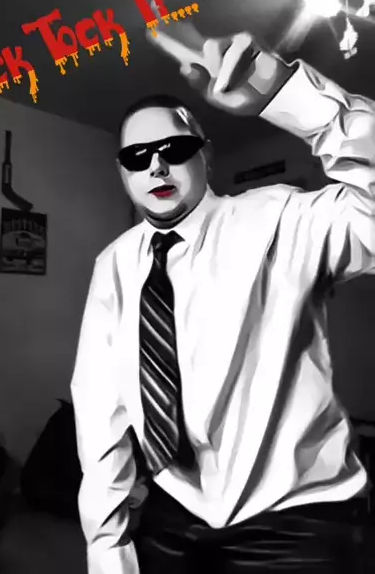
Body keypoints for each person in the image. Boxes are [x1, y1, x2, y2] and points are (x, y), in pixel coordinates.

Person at [70, 30, 375, 574]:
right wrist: (107, 543)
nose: (156, 167)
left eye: (174, 149)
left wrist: (289, 95)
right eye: (138, 157)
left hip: (297, 524)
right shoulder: (114, 264)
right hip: (170, 512)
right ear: (123, 172)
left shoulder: (281, 220)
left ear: (206, 154)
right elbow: (100, 404)